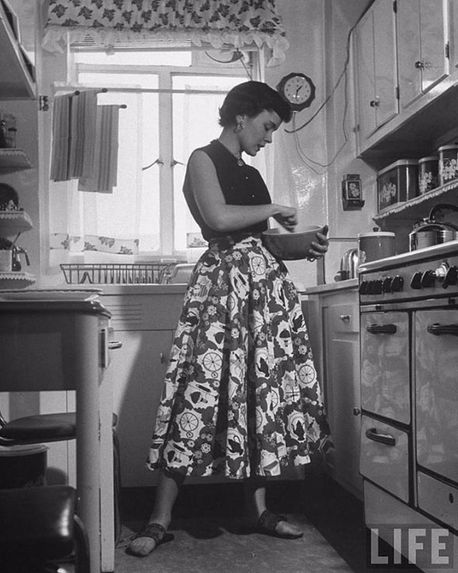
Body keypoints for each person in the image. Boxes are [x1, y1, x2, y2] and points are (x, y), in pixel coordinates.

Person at [127, 80, 330, 558]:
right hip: (222, 291)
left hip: (263, 294)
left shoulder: (252, 175)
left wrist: (299, 246)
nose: (268, 136)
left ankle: (257, 509)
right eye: (267, 126)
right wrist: (275, 208)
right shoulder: (203, 158)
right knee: (197, 393)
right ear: (241, 117)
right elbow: (218, 220)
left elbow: (260, 240)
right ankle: (159, 519)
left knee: (258, 396)